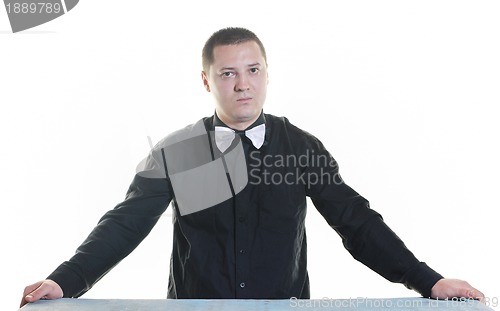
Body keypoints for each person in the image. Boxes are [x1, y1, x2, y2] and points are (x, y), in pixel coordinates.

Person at [20, 27, 484, 307]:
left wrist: (430, 280)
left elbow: (357, 223)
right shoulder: (177, 151)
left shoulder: (302, 148)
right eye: (228, 73)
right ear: (207, 80)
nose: (243, 85)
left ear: (267, 73)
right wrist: (65, 279)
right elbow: (124, 224)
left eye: (253, 70)